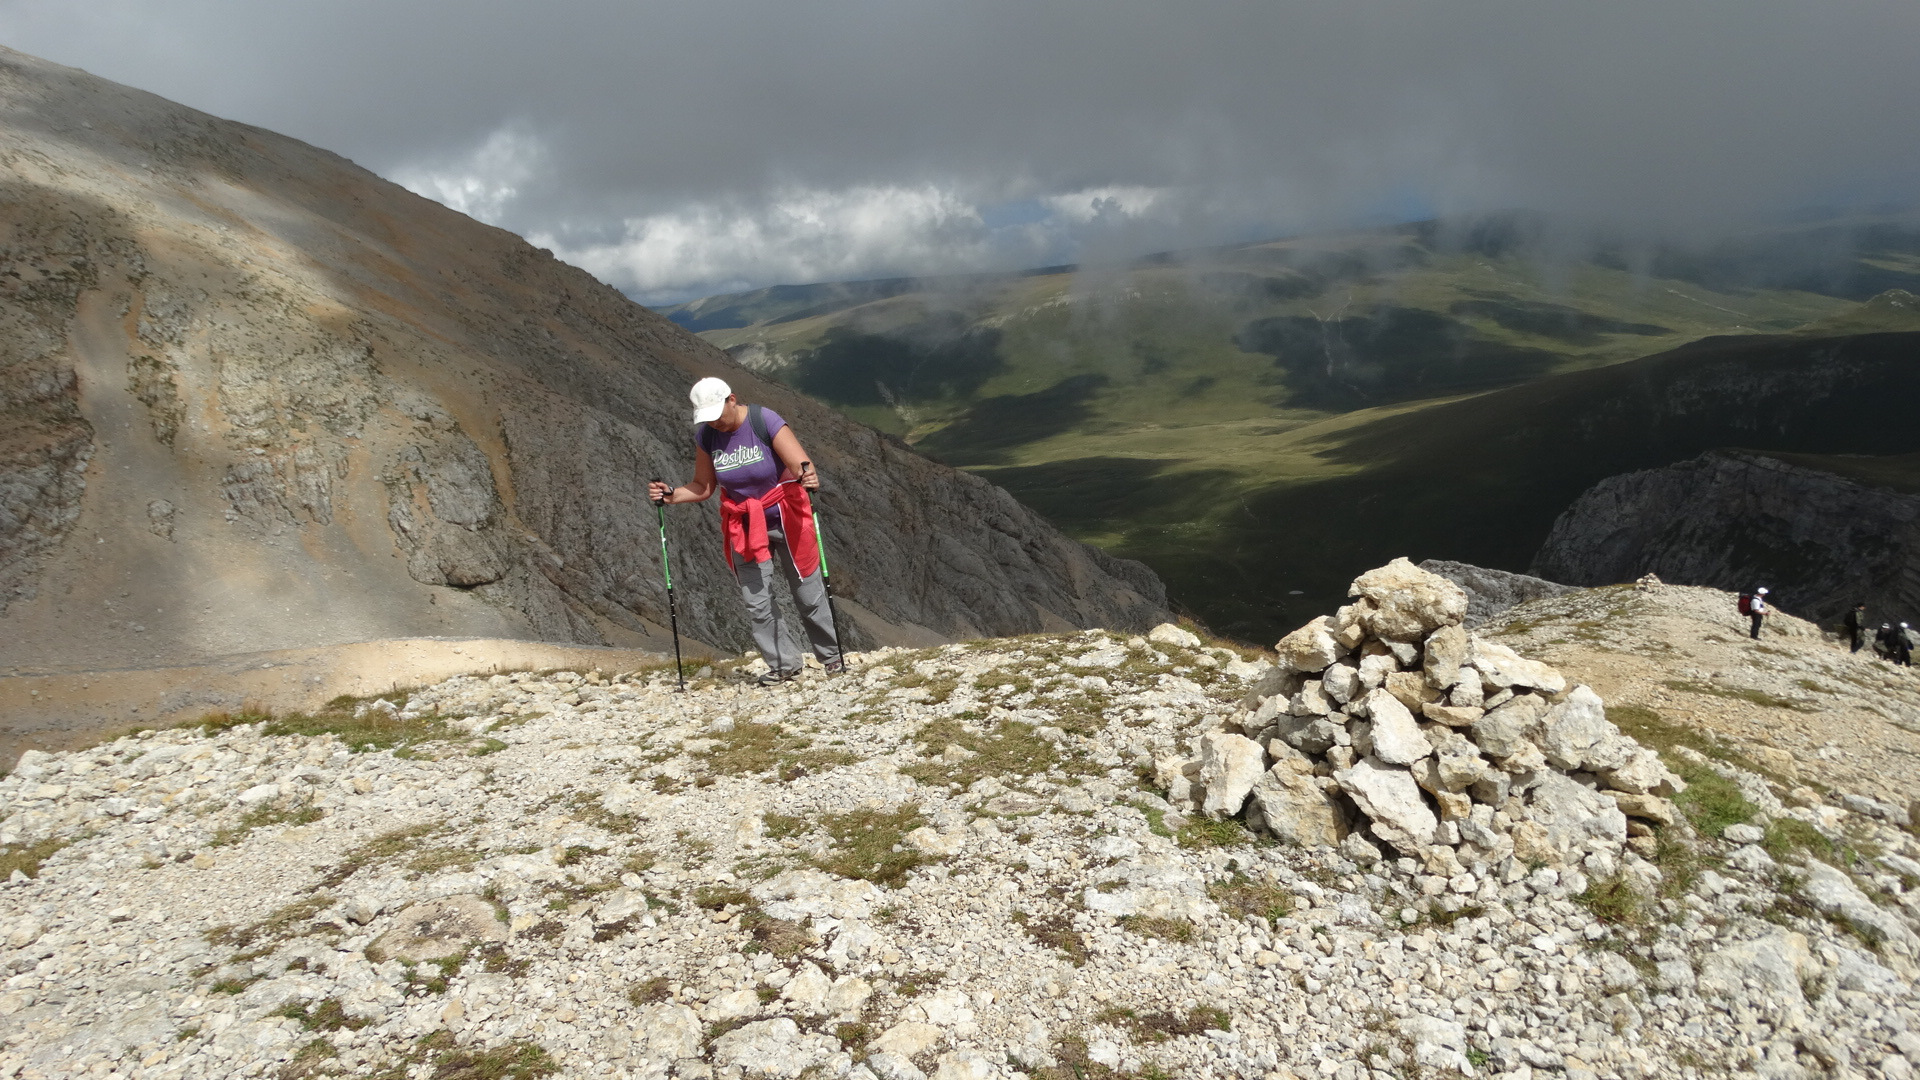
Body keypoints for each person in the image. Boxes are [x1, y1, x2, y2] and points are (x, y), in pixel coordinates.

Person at [648, 378, 841, 684]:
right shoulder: (707, 436)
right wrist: (672, 495)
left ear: (732, 400)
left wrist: (808, 476)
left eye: (717, 414)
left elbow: (799, 464)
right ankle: (784, 665)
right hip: (746, 526)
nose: (714, 422)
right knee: (757, 601)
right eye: (707, 417)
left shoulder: (763, 420)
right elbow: (703, 486)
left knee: (808, 594)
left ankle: (832, 657)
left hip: (785, 518)